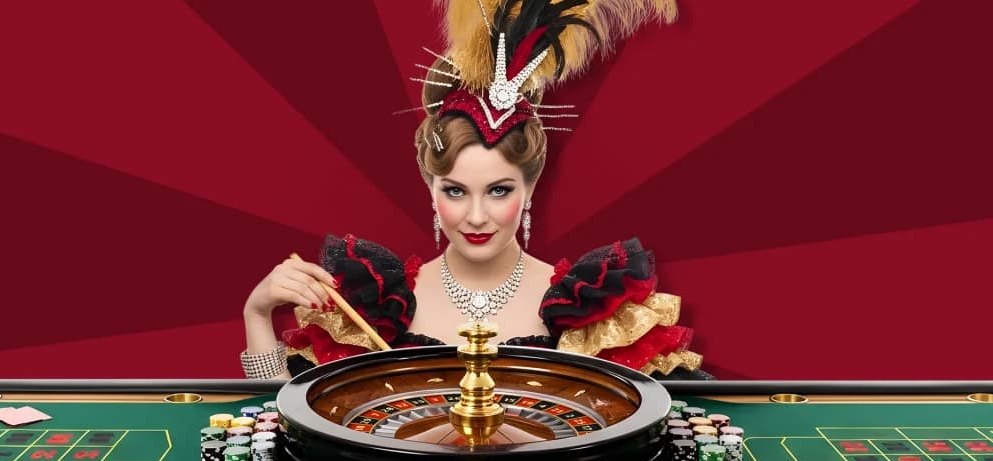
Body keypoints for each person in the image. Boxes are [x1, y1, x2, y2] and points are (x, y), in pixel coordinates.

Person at [241, 0, 709, 381]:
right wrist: (257, 314)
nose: (477, 216)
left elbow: (658, 431)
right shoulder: (372, 306)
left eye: (500, 190)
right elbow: (286, 424)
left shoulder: (594, 311)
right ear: (430, 189)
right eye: (457, 191)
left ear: (530, 190)